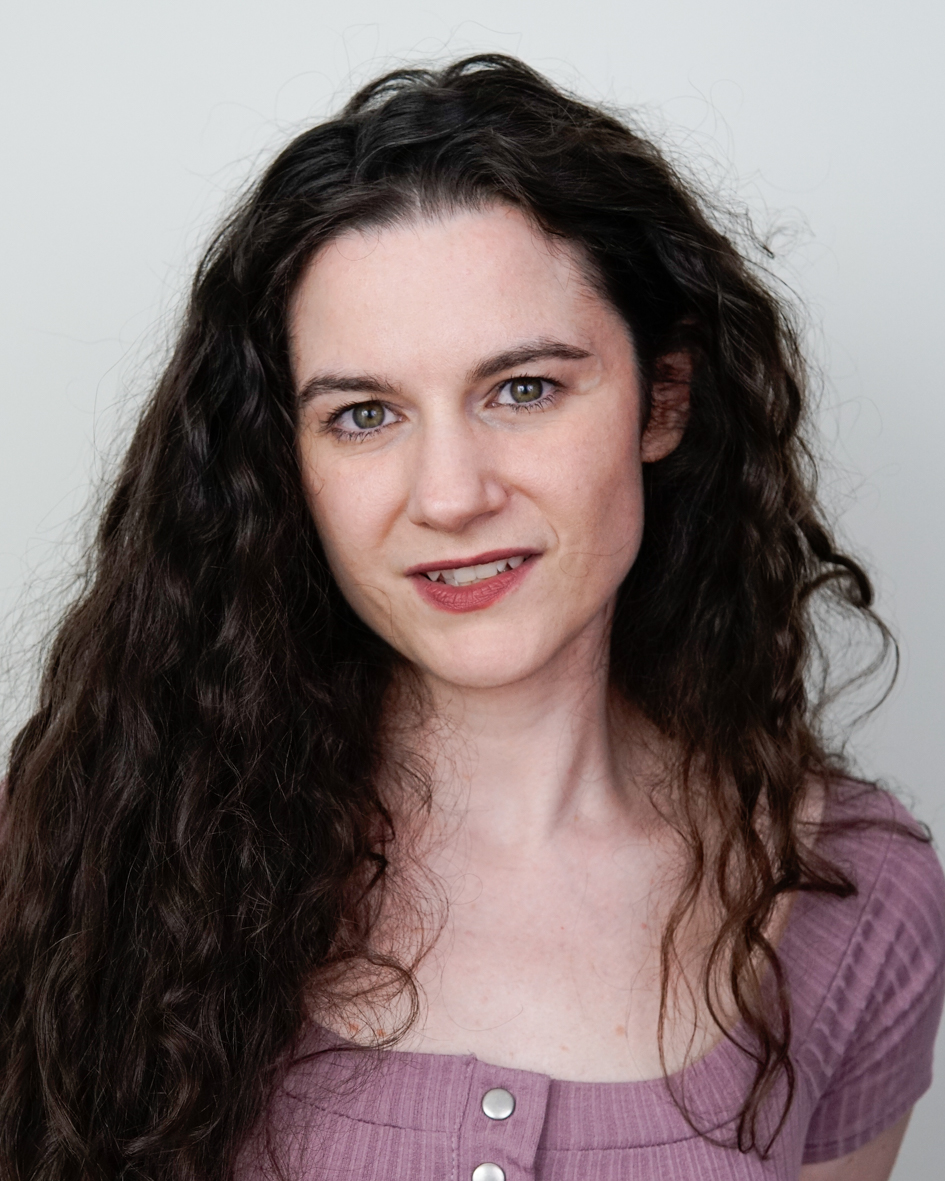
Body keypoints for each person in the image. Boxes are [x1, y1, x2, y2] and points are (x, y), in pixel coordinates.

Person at [0, 53, 942, 1181]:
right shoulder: (97, 834)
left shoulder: (855, 899)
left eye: (523, 389)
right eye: (363, 414)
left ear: (663, 399)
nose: (449, 495)